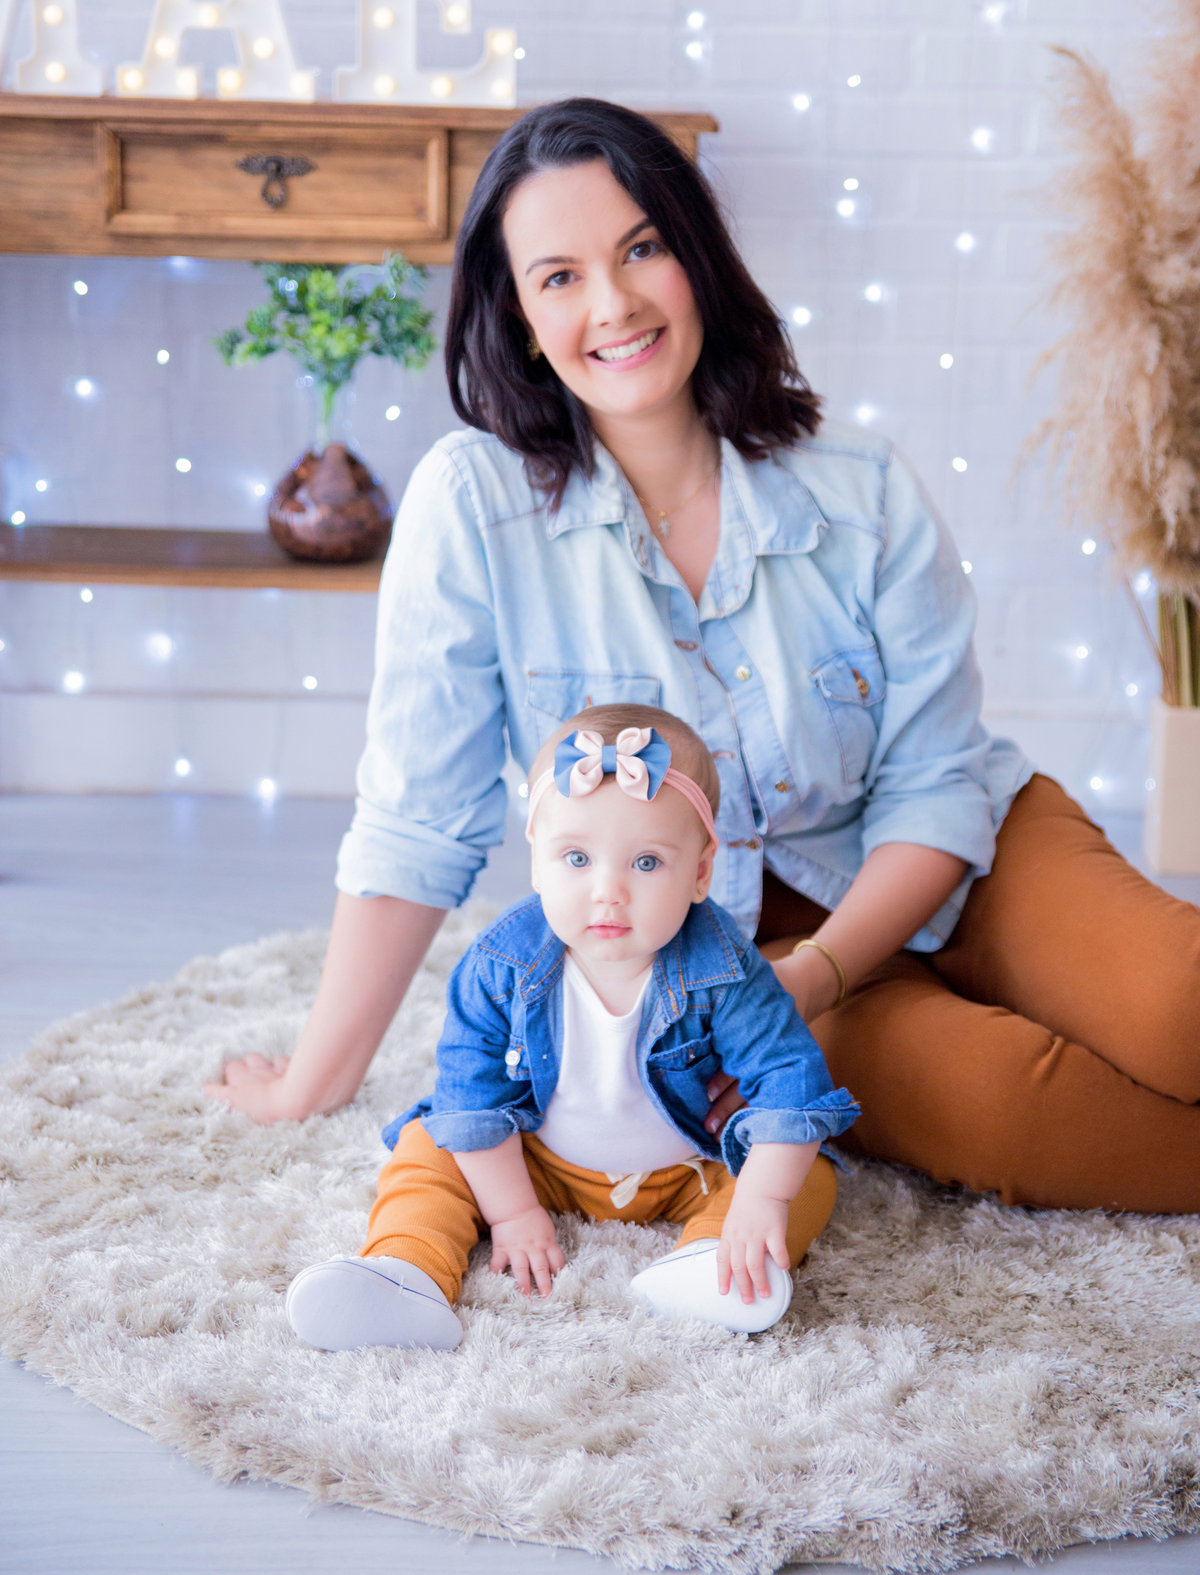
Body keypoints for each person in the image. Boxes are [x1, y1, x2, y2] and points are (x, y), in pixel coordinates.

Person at [206, 96, 1200, 1216]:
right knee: (1024, 1110)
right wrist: (314, 1080)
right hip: (749, 963)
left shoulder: (859, 487)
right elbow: (417, 824)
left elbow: (936, 786)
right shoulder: (472, 509)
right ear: (520, 316)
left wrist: (826, 966)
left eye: (641, 249)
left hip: (966, 860)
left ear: (698, 258)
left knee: (1176, 1010)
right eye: (560, 276)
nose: (615, 302)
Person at [285, 706, 858, 1351]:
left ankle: (713, 1262)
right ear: (536, 861)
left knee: (803, 1172)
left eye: (645, 863)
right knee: (429, 1144)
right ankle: (404, 1272)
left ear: (700, 873)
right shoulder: (502, 964)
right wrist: (512, 1210)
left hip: (685, 1166)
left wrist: (763, 1199)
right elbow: (472, 1097)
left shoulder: (725, 966)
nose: (607, 892)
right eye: (577, 857)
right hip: (535, 1159)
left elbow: (791, 1080)